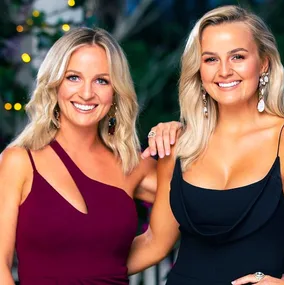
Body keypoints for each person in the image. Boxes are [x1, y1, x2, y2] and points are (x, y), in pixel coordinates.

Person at [127, 5, 284, 285]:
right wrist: (75, 270)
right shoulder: (181, 145)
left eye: (237, 57)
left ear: (263, 62)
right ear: (199, 69)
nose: (224, 71)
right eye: (211, 59)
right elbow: (155, 242)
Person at [0, 27, 180, 285]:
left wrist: (176, 138)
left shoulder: (132, 165)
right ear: (55, 84)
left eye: (101, 80)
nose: (86, 93)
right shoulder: (18, 161)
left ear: (116, 93)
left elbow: (165, 237)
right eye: (73, 77)